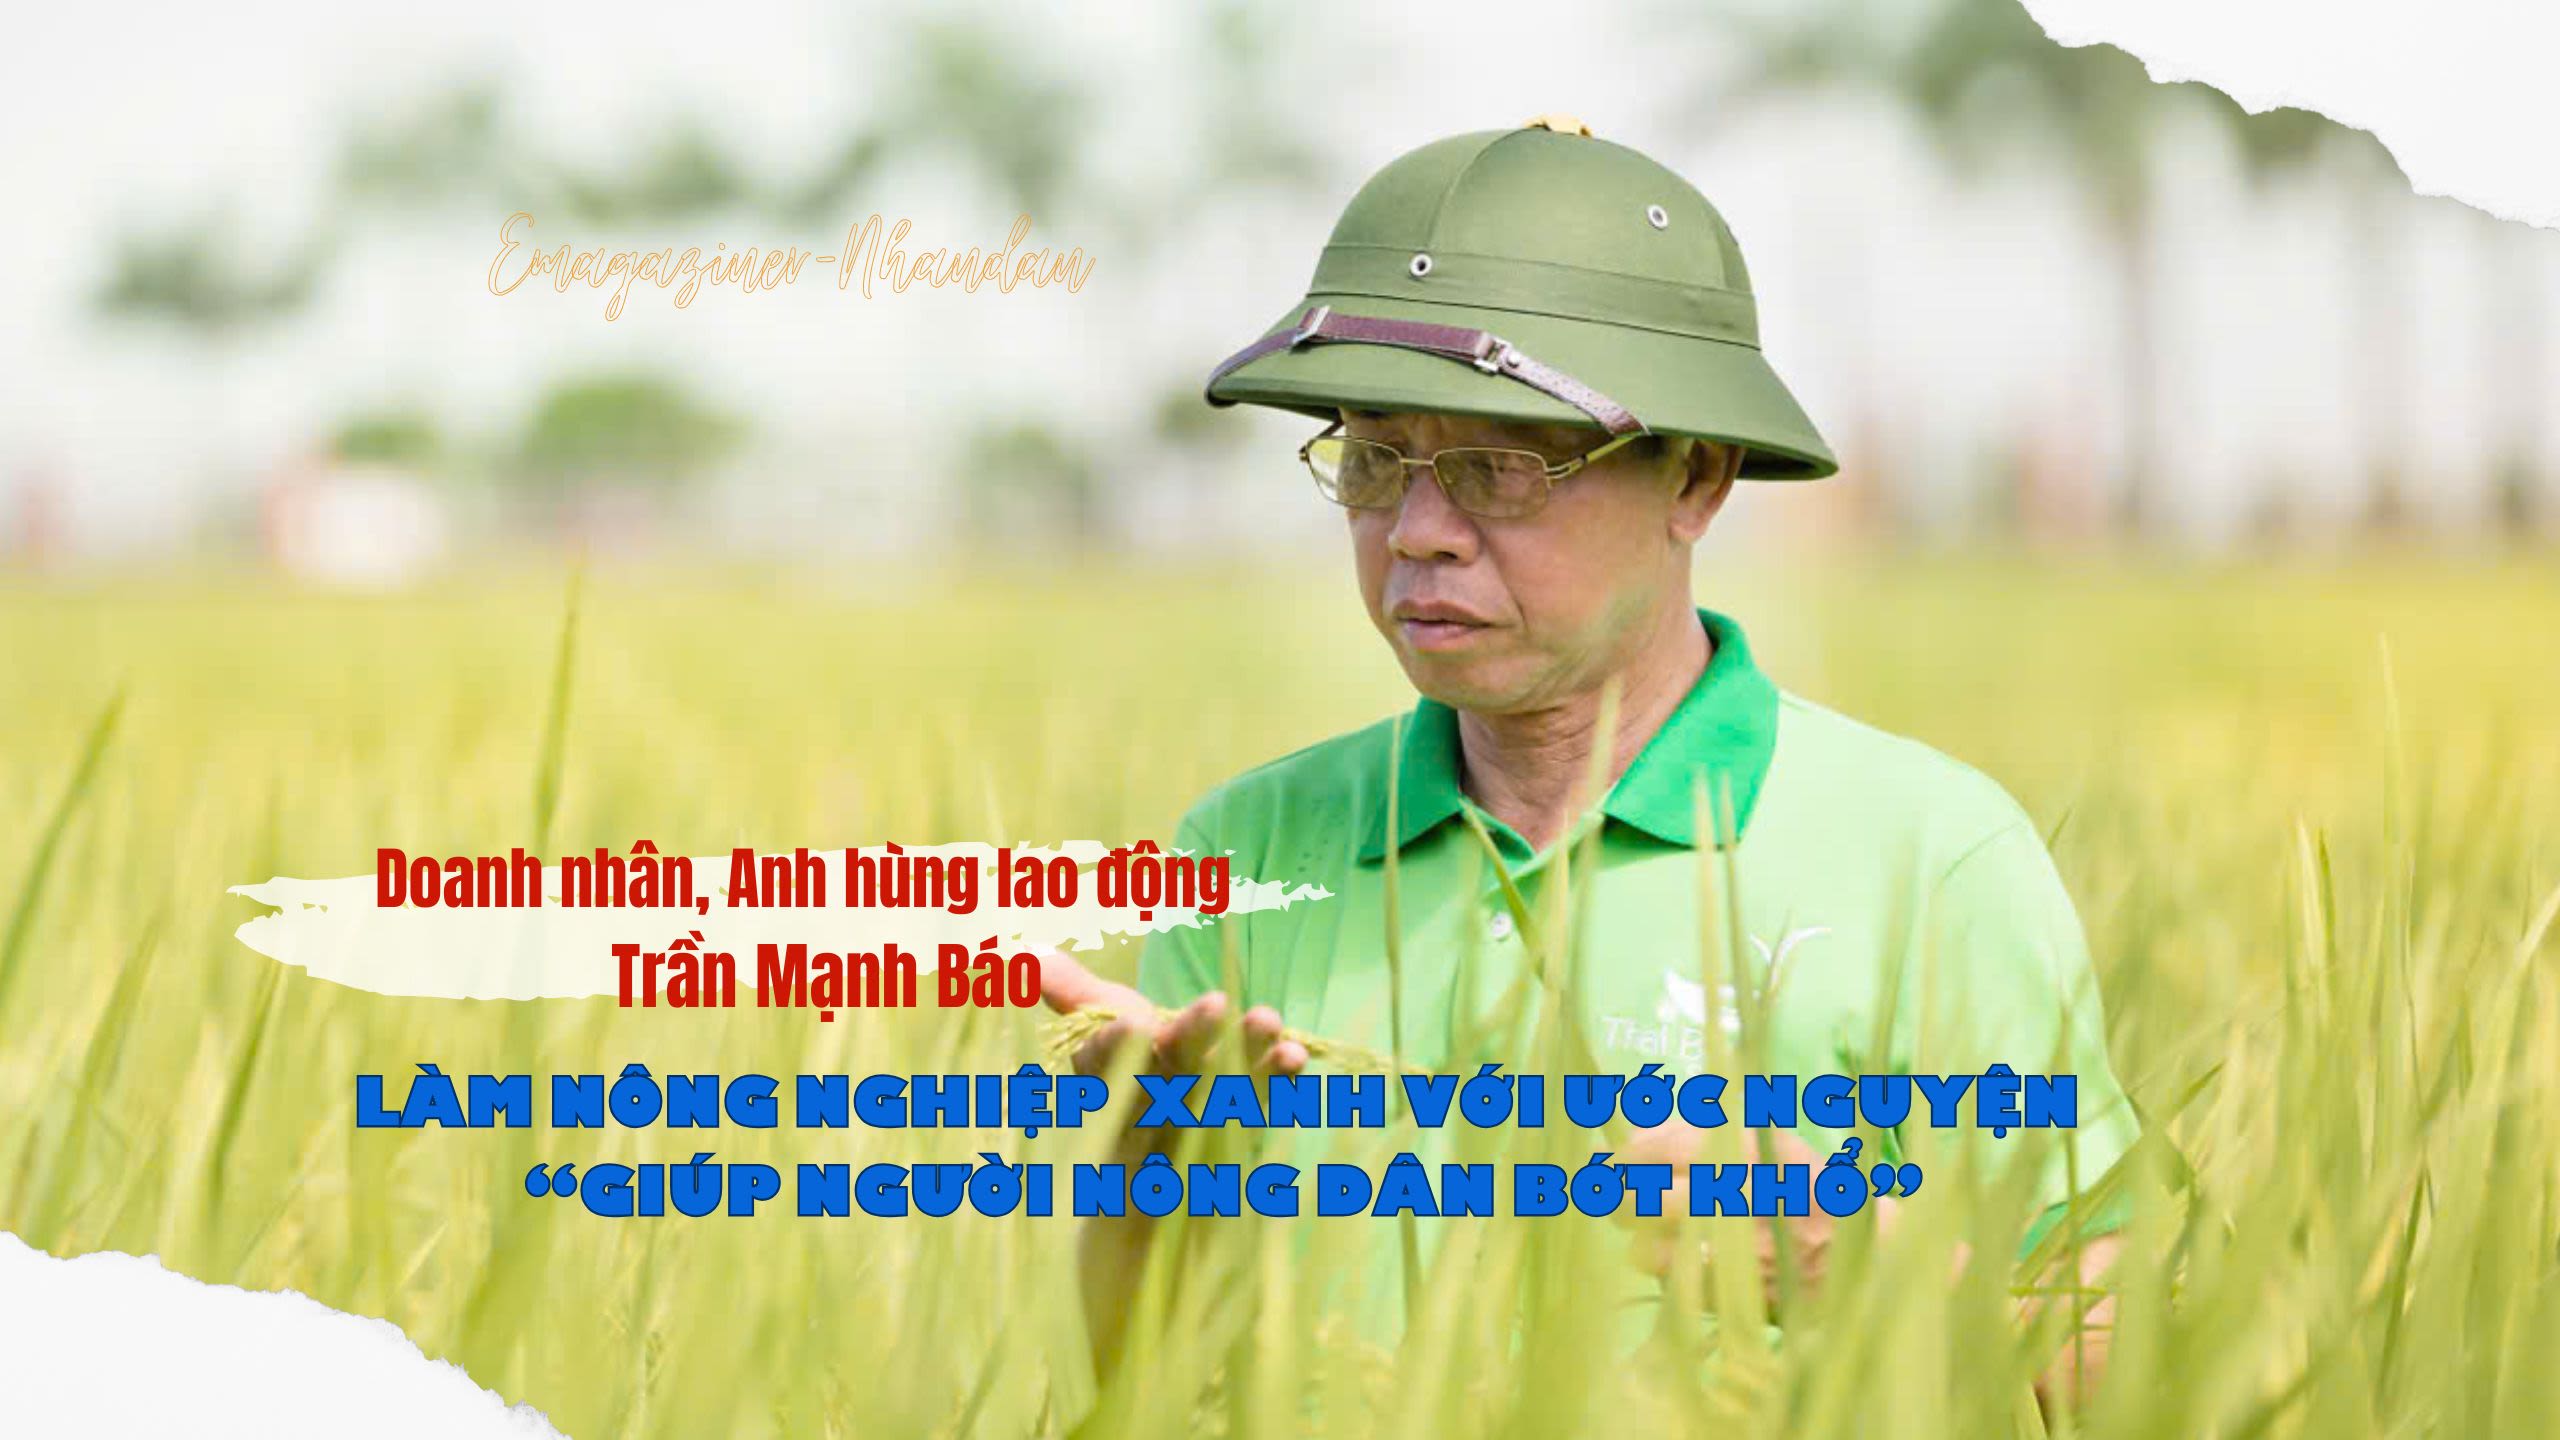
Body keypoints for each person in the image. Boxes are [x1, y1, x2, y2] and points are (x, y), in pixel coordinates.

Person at [1041, 115, 2141, 1412]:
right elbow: (1147, 1387)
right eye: (1376, 459)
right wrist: (1152, 1182)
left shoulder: (1928, 859)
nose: (1419, 530)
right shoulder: (1253, 852)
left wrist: (1846, 1263)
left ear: (1697, 479)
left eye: (1500, 466)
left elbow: (2136, 1368)